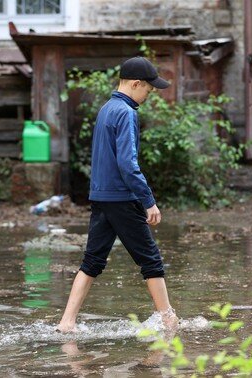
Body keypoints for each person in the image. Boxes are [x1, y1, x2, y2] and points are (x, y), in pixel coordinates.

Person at [57, 56, 178, 333]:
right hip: (123, 198)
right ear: (136, 84)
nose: (148, 95)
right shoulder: (126, 112)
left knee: (93, 260)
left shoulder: (106, 109)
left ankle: (67, 322)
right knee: (151, 260)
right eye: (148, 90)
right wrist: (148, 201)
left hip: (100, 196)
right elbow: (128, 163)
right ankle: (169, 320)